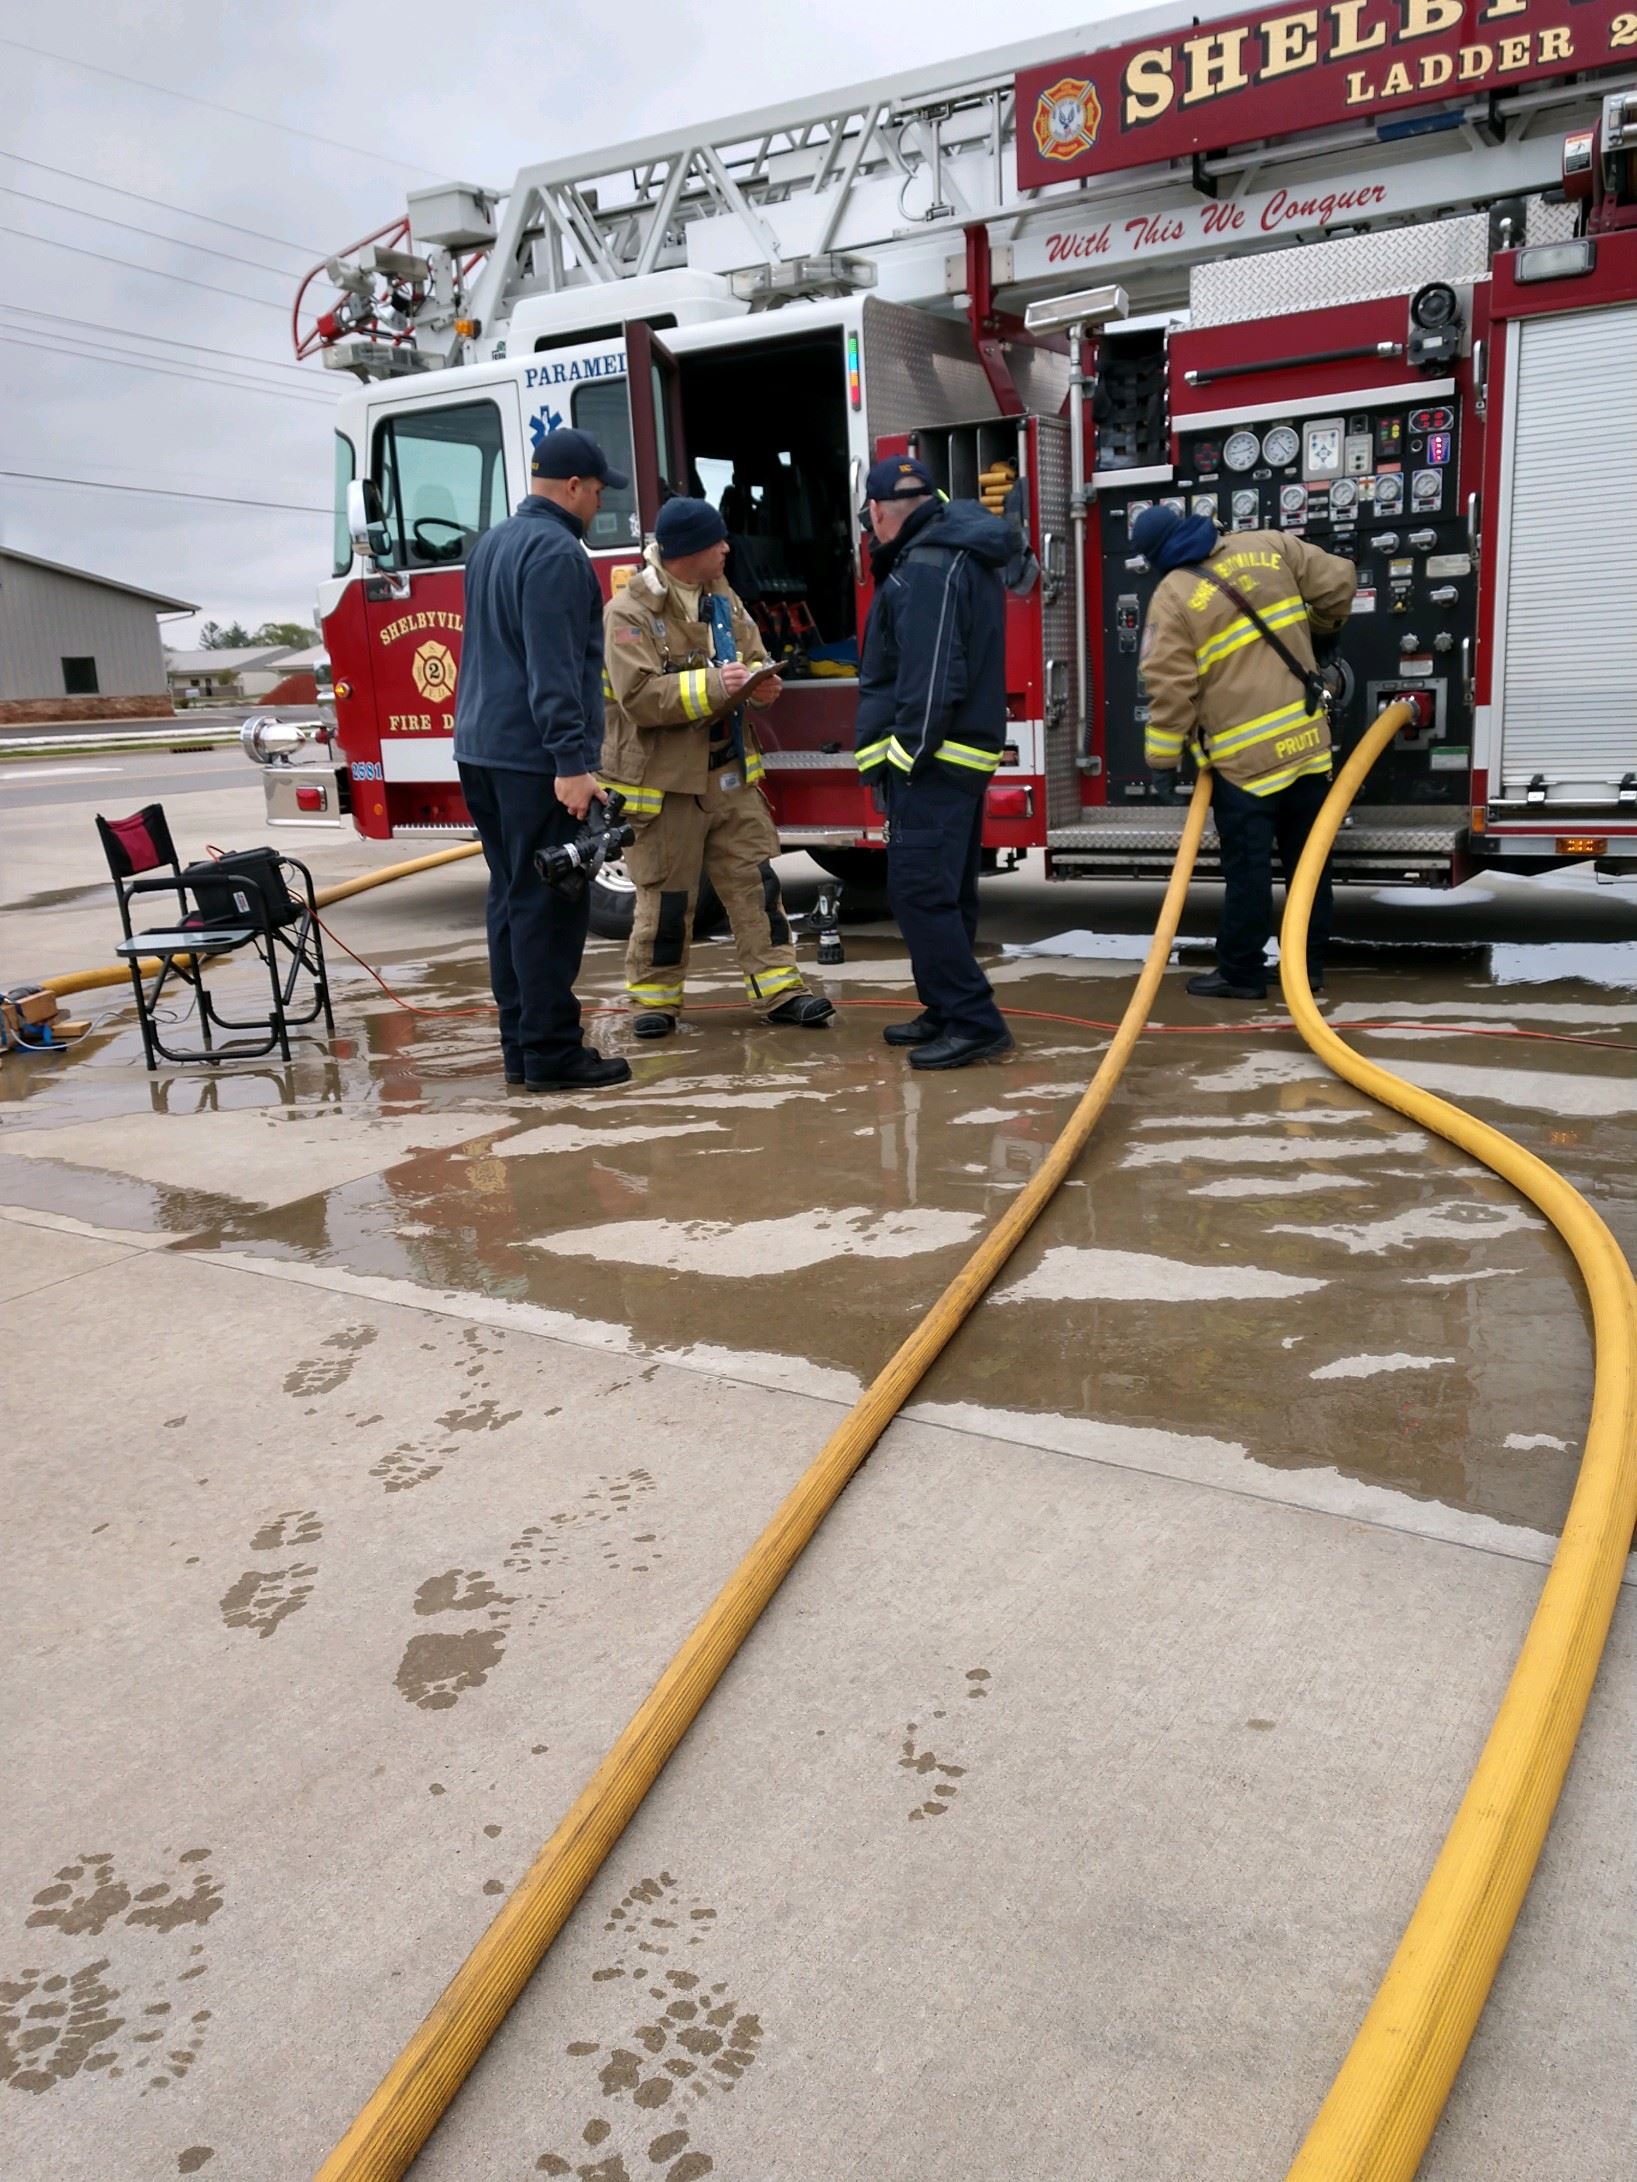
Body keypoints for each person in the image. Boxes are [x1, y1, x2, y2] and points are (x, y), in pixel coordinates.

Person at [601, 495, 834, 1037]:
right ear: (686, 552)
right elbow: (638, 698)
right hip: (665, 786)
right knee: (667, 899)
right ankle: (655, 1003)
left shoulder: (722, 600)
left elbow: (749, 657)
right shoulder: (628, 614)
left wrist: (761, 687)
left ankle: (781, 991)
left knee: (757, 885)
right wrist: (714, 685)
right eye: (717, 542)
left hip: (729, 773)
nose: (728, 549)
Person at [453, 426, 633, 1093]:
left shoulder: (493, 543)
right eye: (596, 492)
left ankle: (522, 1050)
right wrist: (572, 764)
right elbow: (552, 669)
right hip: (533, 759)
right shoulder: (557, 553)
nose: (597, 505)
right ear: (574, 487)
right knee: (550, 906)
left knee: (510, 900)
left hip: (481, 752)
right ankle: (554, 1053)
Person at [1133, 501, 1357, 1000]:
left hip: (1245, 766)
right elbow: (1340, 580)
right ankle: (1307, 970)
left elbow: (1168, 687)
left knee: (1248, 873)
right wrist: (1323, 632)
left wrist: (1163, 762)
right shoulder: (1270, 545)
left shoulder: (1173, 596)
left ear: (1154, 558)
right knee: (1310, 867)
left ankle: (1241, 973)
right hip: (1307, 747)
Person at [854, 456, 1014, 1069]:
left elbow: (928, 681)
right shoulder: (952, 551)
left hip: (933, 763)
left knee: (920, 892)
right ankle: (945, 1007)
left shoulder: (926, 566)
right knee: (947, 892)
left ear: (877, 511)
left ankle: (973, 1020)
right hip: (955, 760)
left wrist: (903, 760)